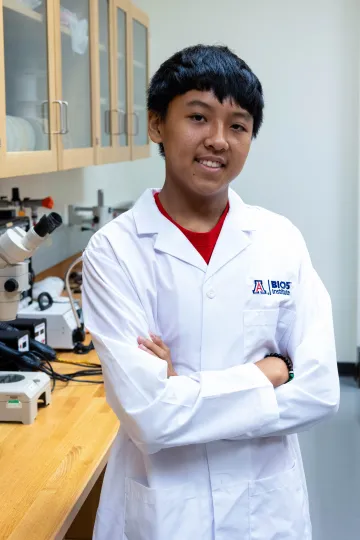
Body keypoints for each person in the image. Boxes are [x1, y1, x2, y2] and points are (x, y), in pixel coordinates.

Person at [82, 44, 340, 540]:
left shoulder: (279, 240)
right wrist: (268, 373)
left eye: (238, 126)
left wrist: (182, 389)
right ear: (157, 124)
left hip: (265, 509)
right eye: (198, 117)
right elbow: (150, 418)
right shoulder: (114, 252)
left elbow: (321, 391)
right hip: (162, 511)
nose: (219, 140)